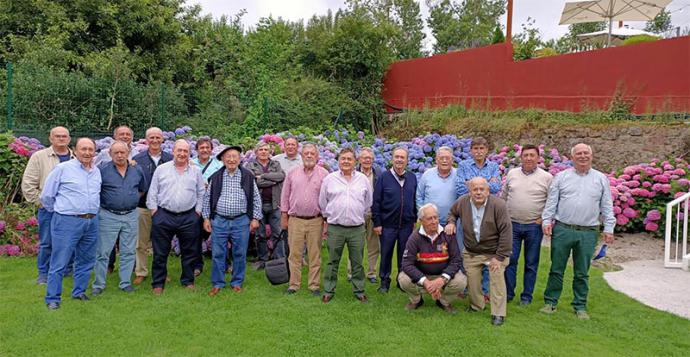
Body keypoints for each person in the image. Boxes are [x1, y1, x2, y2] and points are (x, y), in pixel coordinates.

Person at [540, 143, 615, 320]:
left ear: (592, 155)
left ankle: (580, 306)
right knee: (556, 269)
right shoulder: (561, 177)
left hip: (588, 232)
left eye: (586, 153)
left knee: (582, 272)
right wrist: (546, 220)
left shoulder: (600, 179)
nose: (583, 156)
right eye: (579, 154)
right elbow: (552, 202)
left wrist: (609, 227)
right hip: (563, 229)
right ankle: (551, 302)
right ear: (572, 157)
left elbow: (606, 205)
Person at [40, 138, 101, 310]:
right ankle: (52, 298)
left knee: (86, 259)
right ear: (75, 150)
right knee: (60, 260)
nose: (87, 152)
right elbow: (47, 196)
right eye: (84, 149)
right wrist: (60, 212)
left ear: (95, 152)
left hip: (92, 220)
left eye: (91, 149)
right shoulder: (62, 169)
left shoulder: (96, 171)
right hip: (67, 221)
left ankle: (79, 292)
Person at [446, 177, 512, 326]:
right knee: (473, 282)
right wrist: (451, 222)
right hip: (472, 251)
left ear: (488, 191)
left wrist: (499, 257)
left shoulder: (499, 205)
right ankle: (477, 306)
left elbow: (506, 232)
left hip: (494, 252)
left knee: (497, 280)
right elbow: (452, 213)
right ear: (469, 192)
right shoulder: (462, 202)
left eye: (482, 189)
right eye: (475, 189)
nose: (478, 192)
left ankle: (498, 313)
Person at [146, 139, 205, 294]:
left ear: (189, 153)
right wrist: (154, 212)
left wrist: (197, 212)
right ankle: (158, 283)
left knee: (190, 251)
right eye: (179, 150)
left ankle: (188, 280)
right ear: (173, 151)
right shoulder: (162, 169)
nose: (182, 154)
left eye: (185, 151)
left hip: (189, 217)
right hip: (164, 215)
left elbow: (201, 193)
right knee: (160, 252)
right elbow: (152, 192)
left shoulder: (196, 171)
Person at [203, 145, 263, 296]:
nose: (231, 159)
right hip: (220, 221)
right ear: (222, 159)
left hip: (241, 221)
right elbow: (207, 198)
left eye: (234, 156)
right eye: (228, 157)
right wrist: (206, 218)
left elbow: (256, 198)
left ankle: (237, 282)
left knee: (239, 253)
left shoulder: (247, 176)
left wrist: (255, 218)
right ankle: (218, 283)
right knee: (218, 253)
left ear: (239, 159)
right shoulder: (216, 176)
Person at [91, 141, 147, 296]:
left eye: (123, 152)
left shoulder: (137, 169)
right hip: (108, 215)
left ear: (128, 152)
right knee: (103, 252)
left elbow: (142, 189)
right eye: (116, 152)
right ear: (110, 154)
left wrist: (129, 199)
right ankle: (99, 284)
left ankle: (125, 283)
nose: (120, 155)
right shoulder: (102, 170)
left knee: (128, 251)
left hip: (130, 215)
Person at [319, 148, 373, 304]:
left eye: (349, 159)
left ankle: (359, 290)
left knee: (357, 261)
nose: (346, 162)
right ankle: (329, 290)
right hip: (336, 227)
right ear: (338, 161)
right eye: (343, 159)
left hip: (356, 228)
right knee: (332, 261)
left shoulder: (362, 179)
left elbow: (368, 203)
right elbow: (323, 202)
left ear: (355, 161)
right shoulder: (329, 179)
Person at [501, 144, 553, 305]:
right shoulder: (512, 174)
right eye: (526, 155)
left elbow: (552, 201)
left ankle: (526, 296)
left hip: (533, 226)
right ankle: (508, 294)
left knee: (531, 262)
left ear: (538, 158)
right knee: (510, 260)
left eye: (532, 155)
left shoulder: (546, 177)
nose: (529, 158)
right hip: (512, 225)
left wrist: (544, 218)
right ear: (521, 157)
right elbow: (504, 196)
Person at [21, 126, 73, 285]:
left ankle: (67, 270)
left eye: (64, 136)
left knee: (70, 242)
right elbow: (28, 185)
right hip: (49, 210)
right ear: (50, 139)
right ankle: (43, 274)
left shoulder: (76, 157)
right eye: (57, 136)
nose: (61, 139)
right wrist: (42, 204)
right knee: (47, 243)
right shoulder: (39, 157)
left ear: (69, 139)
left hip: (71, 210)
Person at [398, 203, 467, 313]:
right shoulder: (414, 238)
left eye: (436, 217)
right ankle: (416, 300)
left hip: (442, 274)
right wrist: (425, 282)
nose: (434, 221)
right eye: (430, 218)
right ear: (421, 220)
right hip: (423, 275)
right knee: (403, 279)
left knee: (461, 281)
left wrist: (442, 279)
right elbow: (406, 264)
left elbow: (456, 260)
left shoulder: (448, 234)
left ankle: (443, 302)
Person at [281, 143, 329, 295]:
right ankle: (294, 284)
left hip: (316, 220)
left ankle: (314, 285)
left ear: (317, 156)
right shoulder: (292, 173)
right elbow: (285, 196)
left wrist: (327, 221)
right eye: (306, 153)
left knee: (315, 254)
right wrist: (284, 216)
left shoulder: (324, 174)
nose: (309, 156)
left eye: (312, 153)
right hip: (296, 219)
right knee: (294, 254)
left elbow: (329, 198)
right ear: (301, 156)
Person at [455, 137, 500, 299]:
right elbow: (460, 187)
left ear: (487, 150)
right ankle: (465, 286)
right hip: (467, 214)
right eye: (475, 148)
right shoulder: (463, 165)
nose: (479, 151)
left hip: (488, 216)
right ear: (471, 150)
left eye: (482, 148)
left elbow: (497, 187)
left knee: (488, 252)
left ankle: (486, 290)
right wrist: (486, 183)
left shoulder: (494, 166)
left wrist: (471, 184)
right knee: (464, 251)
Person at [372, 147, 417, 293]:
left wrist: (414, 219)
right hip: (387, 225)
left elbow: (414, 200)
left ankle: (402, 281)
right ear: (392, 159)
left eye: (402, 157)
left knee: (404, 255)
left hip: (406, 225)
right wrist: (377, 222)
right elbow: (376, 201)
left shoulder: (412, 177)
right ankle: (384, 281)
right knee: (386, 254)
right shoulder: (384, 177)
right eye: (396, 157)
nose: (399, 160)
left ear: (407, 160)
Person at [132, 127, 172, 285]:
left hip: (164, 209)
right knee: (140, 242)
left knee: (162, 243)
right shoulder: (137, 159)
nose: (155, 140)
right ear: (146, 139)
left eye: (158, 137)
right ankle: (141, 271)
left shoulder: (170, 158)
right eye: (151, 138)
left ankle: (161, 272)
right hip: (143, 207)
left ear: (163, 139)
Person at [245, 141, 286, 270]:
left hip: (275, 204)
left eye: (266, 150)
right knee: (260, 234)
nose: (264, 152)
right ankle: (263, 259)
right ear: (256, 152)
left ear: (270, 152)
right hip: (258, 205)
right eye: (261, 150)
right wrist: (271, 181)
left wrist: (262, 176)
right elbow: (252, 182)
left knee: (277, 233)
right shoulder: (249, 165)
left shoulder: (276, 164)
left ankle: (279, 260)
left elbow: (281, 176)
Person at [346, 147, 382, 284]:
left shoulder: (378, 173)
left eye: (370, 158)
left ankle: (371, 273)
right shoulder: (353, 173)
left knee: (373, 245)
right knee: (355, 245)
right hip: (357, 214)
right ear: (359, 160)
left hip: (373, 214)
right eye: (364, 157)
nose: (367, 160)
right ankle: (352, 273)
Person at [190, 137, 224, 276]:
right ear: (197, 150)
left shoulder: (219, 165)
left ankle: (224, 263)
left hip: (214, 205)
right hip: (195, 205)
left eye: (207, 148)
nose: (204, 150)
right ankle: (197, 265)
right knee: (196, 236)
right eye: (201, 148)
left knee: (220, 236)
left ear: (211, 149)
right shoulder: (190, 163)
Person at [416, 146, 458, 226]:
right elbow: (419, 196)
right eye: (441, 158)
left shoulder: (459, 175)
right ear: (436, 160)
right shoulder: (427, 174)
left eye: (447, 158)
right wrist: (424, 215)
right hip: (429, 223)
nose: (444, 161)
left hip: (451, 224)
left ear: (452, 160)